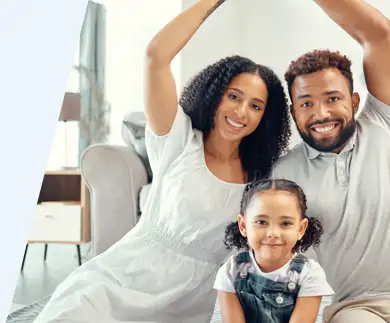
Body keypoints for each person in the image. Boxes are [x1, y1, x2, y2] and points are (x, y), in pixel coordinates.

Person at [34, 1, 292, 322]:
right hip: (125, 279)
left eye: (255, 106)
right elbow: (156, 56)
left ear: (265, 117)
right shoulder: (178, 138)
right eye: (234, 96)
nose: (241, 112)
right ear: (215, 94)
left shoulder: (262, 178)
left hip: (194, 304)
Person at [271, 0, 390, 322]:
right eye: (306, 103)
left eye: (333, 98)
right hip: (353, 308)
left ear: (354, 101)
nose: (321, 114)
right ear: (293, 111)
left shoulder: (388, 125)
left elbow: (379, 33)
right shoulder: (282, 174)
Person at [214, 179, 334, 323]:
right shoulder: (230, 271)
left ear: (301, 229)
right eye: (261, 222)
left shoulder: (309, 274)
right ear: (243, 225)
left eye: (285, 223)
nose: (273, 233)